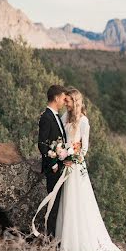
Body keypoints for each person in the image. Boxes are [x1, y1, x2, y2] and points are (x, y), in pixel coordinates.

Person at [55, 87, 126, 251]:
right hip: (65, 163)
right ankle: (63, 237)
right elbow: (61, 140)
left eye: (69, 101)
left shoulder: (84, 121)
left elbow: (85, 148)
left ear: (76, 102)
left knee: (78, 202)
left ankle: (77, 241)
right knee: (66, 201)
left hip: (76, 166)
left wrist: (72, 157)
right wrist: (60, 152)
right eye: (65, 101)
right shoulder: (65, 117)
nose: (66, 104)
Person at [37, 84, 68, 238]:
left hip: (61, 167)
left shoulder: (57, 117)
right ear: (56, 98)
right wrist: (54, 164)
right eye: (63, 98)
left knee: (57, 204)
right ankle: (50, 239)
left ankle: (55, 236)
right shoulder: (46, 117)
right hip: (53, 169)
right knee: (53, 204)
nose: (64, 101)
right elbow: (42, 144)